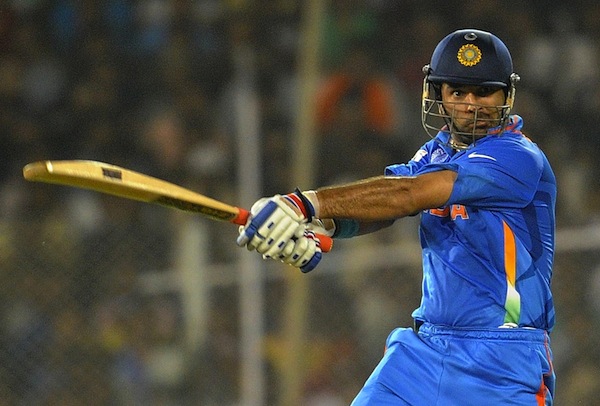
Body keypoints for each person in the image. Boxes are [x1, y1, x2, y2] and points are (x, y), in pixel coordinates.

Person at [236, 29, 556, 405]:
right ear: (437, 94)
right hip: (424, 352)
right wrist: (317, 227)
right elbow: (384, 205)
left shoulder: (518, 156)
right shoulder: (435, 153)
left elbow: (410, 195)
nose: (471, 105)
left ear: (506, 96)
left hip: (502, 358)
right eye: (457, 92)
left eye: (484, 92)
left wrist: (302, 204)